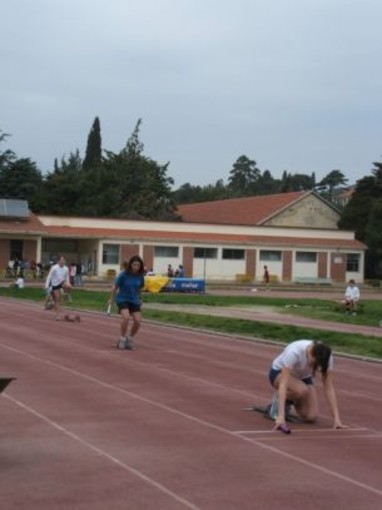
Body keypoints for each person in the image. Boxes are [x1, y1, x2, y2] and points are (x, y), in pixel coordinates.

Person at [268, 339, 346, 431]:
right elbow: (284, 383)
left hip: (303, 377)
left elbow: (328, 387)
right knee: (302, 390)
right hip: (279, 374)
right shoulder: (294, 352)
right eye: (313, 363)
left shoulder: (327, 358)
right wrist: (281, 417)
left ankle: (288, 399)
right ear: (310, 352)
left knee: (311, 416)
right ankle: (279, 397)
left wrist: (336, 419)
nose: (313, 367)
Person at [108, 255, 145, 350]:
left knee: (138, 321)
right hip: (123, 299)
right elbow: (115, 287)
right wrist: (112, 299)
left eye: (138, 265)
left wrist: (140, 298)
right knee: (126, 317)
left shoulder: (140, 276)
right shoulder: (123, 275)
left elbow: (140, 288)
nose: (136, 267)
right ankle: (122, 338)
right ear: (131, 265)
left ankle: (130, 338)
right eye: (134, 265)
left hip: (134, 300)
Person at [45, 256, 71, 320]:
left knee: (69, 286)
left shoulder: (66, 268)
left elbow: (67, 277)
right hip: (55, 284)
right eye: (61, 260)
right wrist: (46, 285)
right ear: (58, 261)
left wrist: (68, 283)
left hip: (62, 282)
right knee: (57, 299)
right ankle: (57, 316)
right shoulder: (54, 268)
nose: (62, 262)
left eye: (63, 260)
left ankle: (67, 295)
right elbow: (49, 276)